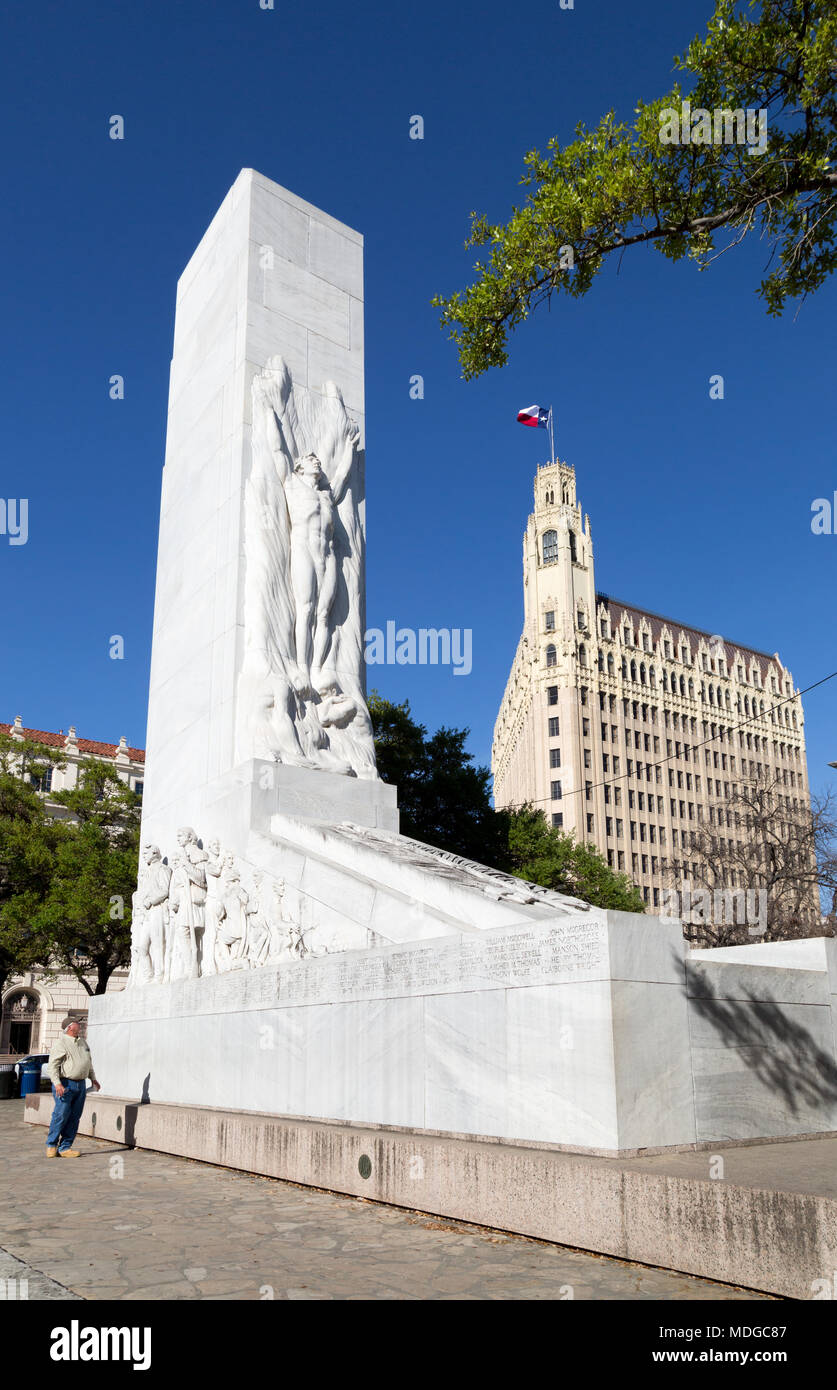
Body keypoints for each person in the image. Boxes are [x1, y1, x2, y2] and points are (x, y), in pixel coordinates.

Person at [44, 1018, 100, 1158]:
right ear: (69, 1027)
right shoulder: (61, 1043)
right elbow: (53, 1065)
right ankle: (51, 1145)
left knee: (75, 1117)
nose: (79, 1025)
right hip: (65, 1084)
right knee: (60, 1115)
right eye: (76, 1023)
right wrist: (57, 1083)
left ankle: (65, 1147)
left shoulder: (82, 1042)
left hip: (80, 1085)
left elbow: (88, 1062)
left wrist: (93, 1078)